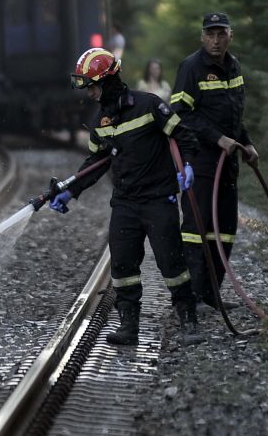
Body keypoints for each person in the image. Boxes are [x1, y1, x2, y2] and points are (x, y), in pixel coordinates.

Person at [48, 47, 204, 345]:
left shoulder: (149, 106)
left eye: (91, 86)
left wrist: (187, 165)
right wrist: (71, 191)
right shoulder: (100, 122)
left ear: (107, 81)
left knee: (171, 264)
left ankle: (188, 322)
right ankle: (129, 326)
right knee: (122, 267)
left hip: (160, 199)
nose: (89, 93)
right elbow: (94, 163)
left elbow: (182, 136)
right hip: (125, 203)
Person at [169, 13, 259, 311]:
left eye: (221, 34)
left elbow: (234, 114)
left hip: (228, 162)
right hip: (201, 162)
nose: (216, 40)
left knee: (226, 228)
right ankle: (191, 297)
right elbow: (180, 113)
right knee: (197, 228)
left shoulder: (234, 66)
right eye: (210, 34)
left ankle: (212, 293)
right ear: (202, 37)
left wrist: (246, 142)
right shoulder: (191, 67)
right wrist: (216, 138)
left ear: (230, 35)